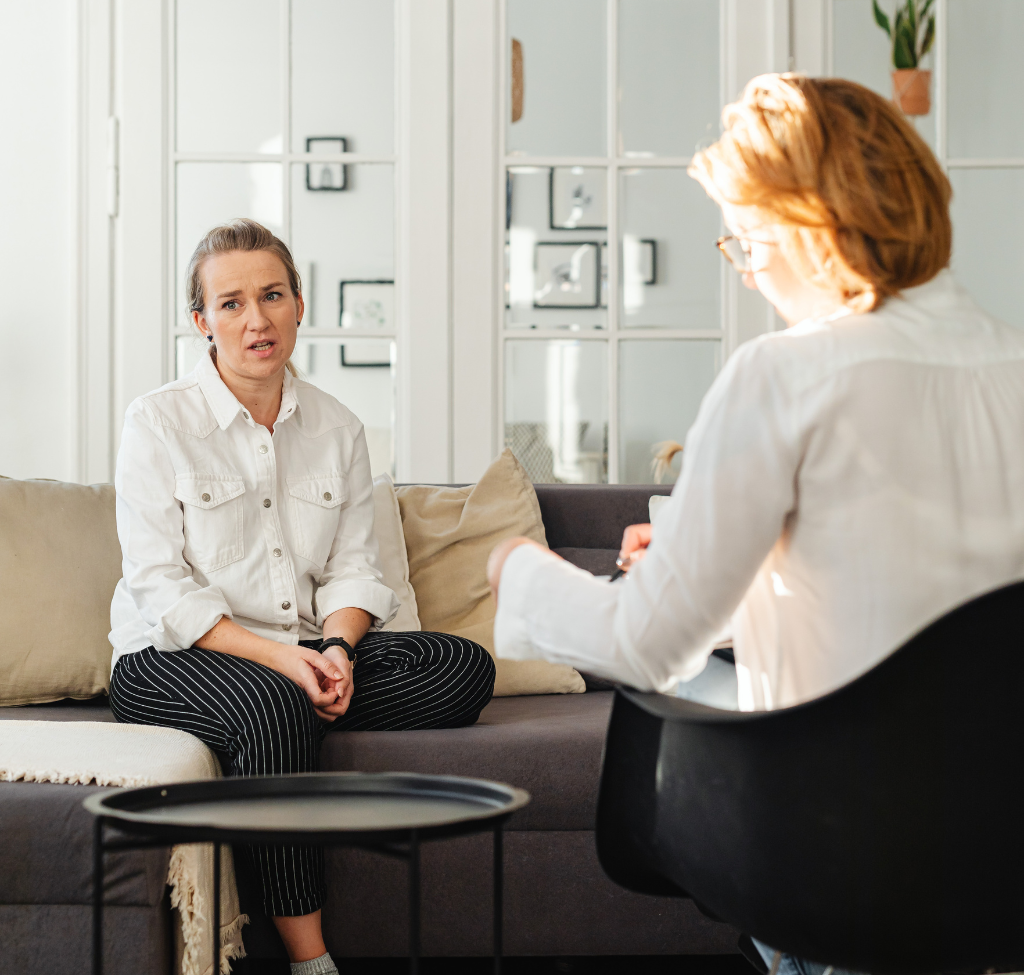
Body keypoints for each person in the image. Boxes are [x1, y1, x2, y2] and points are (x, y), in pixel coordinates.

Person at [486, 74, 1024, 975]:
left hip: (837, 859)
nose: (746, 268)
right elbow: (943, 614)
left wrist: (519, 571)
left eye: (748, 239)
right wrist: (738, 570)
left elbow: (649, 646)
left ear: (814, 225)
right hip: (999, 852)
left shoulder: (786, 374)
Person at [108, 219, 495, 975]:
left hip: (304, 650)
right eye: (231, 303)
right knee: (274, 705)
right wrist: (285, 666)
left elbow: (354, 570)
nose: (256, 320)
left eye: (273, 296)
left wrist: (338, 653)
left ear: (299, 305)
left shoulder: (338, 426)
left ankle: (276, 734)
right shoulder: (156, 421)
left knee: (461, 668)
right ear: (202, 322)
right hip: (172, 655)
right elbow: (161, 588)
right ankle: (310, 960)